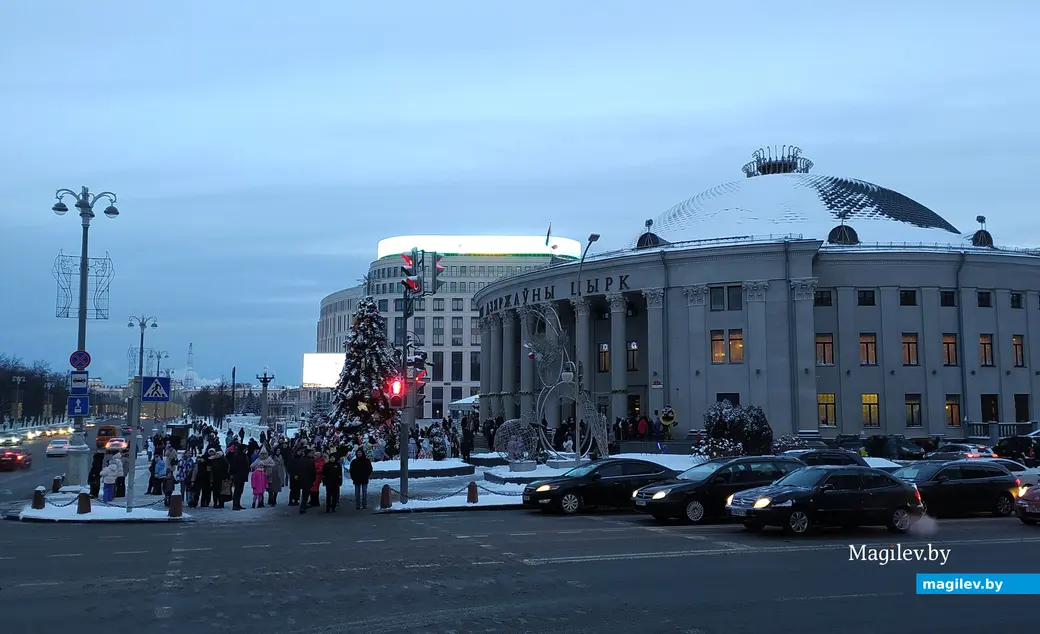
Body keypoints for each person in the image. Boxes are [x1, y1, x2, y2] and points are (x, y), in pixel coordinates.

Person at [296, 448, 316, 515]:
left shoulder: (300, 460)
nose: (312, 454)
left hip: (301, 479)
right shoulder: (310, 461)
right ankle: (302, 506)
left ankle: (303, 505)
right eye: (311, 453)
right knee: (306, 493)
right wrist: (313, 479)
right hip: (307, 479)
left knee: (304, 493)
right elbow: (313, 471)